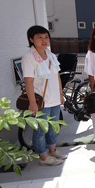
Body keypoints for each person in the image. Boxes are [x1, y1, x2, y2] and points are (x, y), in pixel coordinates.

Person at [21, 25, 67, 166]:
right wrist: (32, 102)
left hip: (54, 99)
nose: (44, 40)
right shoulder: (29, 57)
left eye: (46, 37)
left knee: (53, 127)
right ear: (31, 39)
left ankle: (52, 149)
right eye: (39, 37)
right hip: (41, 101)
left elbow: (57, 77)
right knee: (40, 130)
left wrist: (61, 94)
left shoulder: (51, 55)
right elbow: (28, 81)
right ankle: (43, 156)